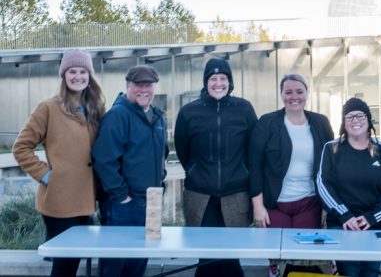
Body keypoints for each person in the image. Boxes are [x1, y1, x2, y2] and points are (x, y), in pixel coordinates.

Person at [12, 48, 105, 277]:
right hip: (60, 202)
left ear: (89, 75)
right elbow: (20, 147)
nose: (78, 76)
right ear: (64, 75)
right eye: (72, 71)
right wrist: (48, 176)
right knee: (65, 266)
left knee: (77, 262)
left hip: (86, 201)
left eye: (83, 71)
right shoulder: (48, 108)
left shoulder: (95, 108)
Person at [174, 58, 257, 277]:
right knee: (207, 256)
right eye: (213, 78)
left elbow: (253, 149)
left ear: (230, 82)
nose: (218, 83)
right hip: (200, 196)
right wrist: (194, 170)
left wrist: (243, 174)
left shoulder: (244, 109)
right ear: (206, 81)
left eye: (223, 78)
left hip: (236, 194)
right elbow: (183, 149)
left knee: (230, 255)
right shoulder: (189, 112)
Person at [249, 74, 334, 276]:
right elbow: (255, 166)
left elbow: (330, 166)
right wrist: (258, 206)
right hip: (275, 204)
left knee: (305, 258)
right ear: (281, 95)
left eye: (299, 91)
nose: (294, 97)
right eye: (288, 92)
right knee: (278, 258)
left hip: (309, 203)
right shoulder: (267, 123)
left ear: (307, 94)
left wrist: (326, 206)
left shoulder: (320, 123)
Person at [92, 65, 168, 277]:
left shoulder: (157, 117)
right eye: (138, 85)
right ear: (127, 86)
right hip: (123, 206)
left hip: (150, 203)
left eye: (148, 85)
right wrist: (121, 196)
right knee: (114, 266)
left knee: (138, 263)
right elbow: (104, 160)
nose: (144, 90)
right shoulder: (118, 116)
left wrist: (160, 181)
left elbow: (162, 154)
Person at [317, 97, 381, 277]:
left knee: (370, 274)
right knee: (349, 272)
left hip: (376, 226)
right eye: (349, 117)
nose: (355, 120)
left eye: (360, 115)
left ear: (369, 119)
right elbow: (323, 184)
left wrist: (372, 217)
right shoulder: (331, 149)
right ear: (344, 122)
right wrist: (345, 215)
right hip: (342, 226)